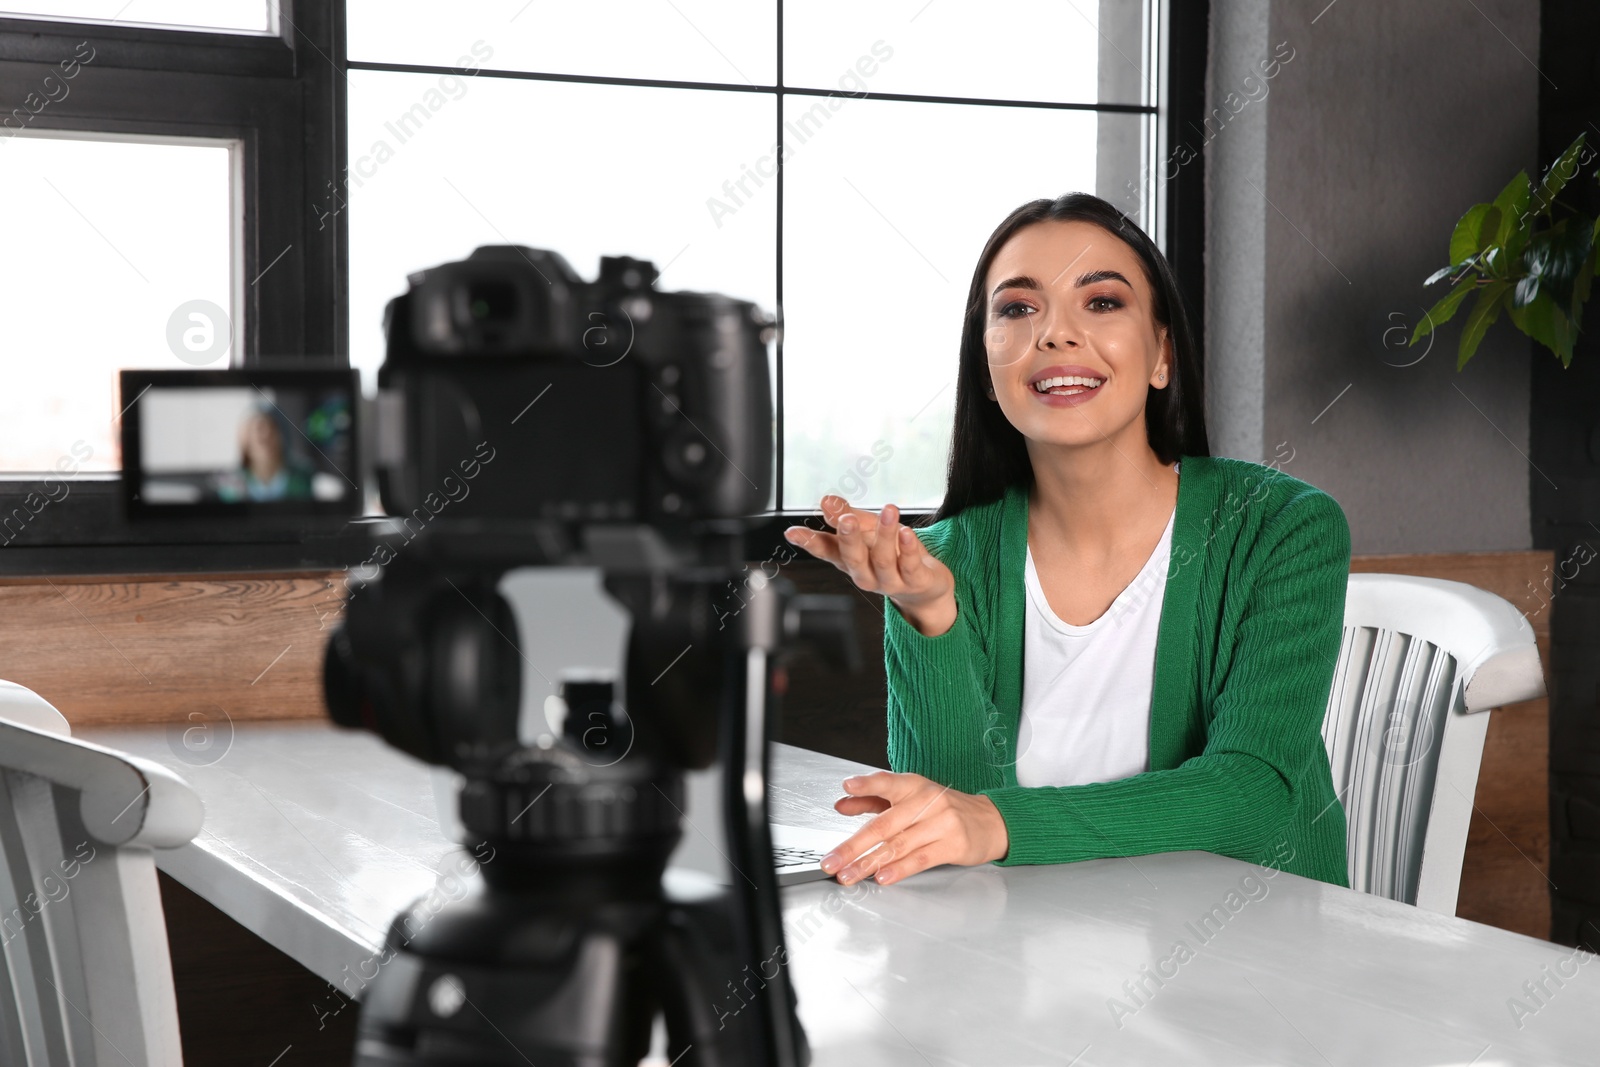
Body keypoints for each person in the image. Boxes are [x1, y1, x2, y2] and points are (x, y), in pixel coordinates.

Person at [783, 192, 1350, 889]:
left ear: (1162, 353)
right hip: (1023, 960)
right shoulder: (944, 561)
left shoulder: (1280, 526)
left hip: (1253, 959)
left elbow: (1254, 797)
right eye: (1018, 309)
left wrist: (1001, 824)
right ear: (987, 371)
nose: (1054, 333)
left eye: (1103, 302)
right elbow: (946, 830)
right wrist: (928, 617)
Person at [214, 405, 315, 502]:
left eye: (273, 430)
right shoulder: (230, 488)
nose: (265, 440)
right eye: (257, 431)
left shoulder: (306, 480)